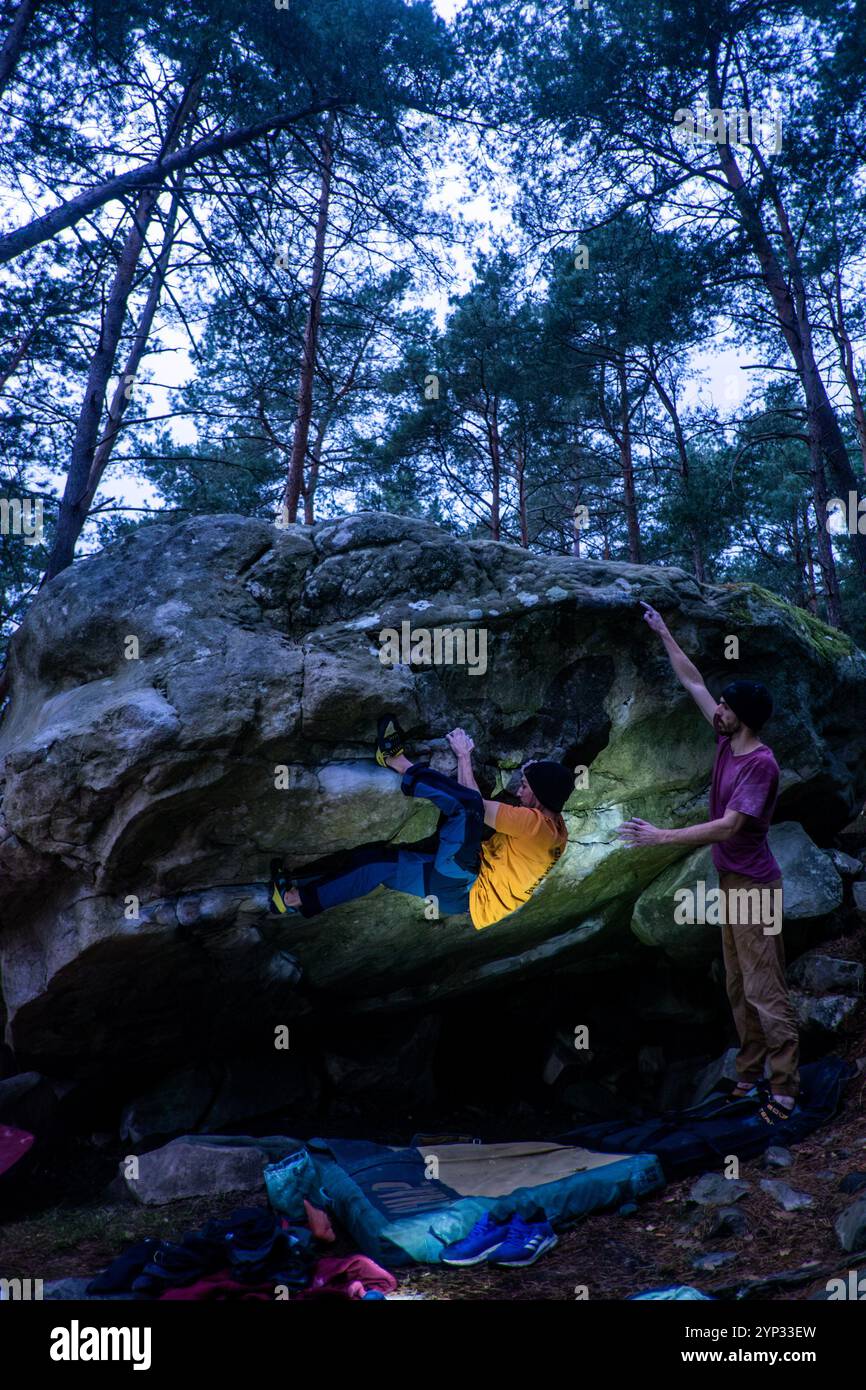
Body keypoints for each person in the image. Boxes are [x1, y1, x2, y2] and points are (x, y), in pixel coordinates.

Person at [617, 602, 800, 1126]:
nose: (714, 708)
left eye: (724, 705)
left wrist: (661, 837)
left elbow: (730, 827)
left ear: (740, 716)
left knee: (765, 987)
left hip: (755, 887)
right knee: (738, 985)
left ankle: (785, 1087)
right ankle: (749, 1074)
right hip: (730, 880)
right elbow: (694, 683)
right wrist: (663, 632)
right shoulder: (727, 739)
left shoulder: (760, 764)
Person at [268, 714, 572, 931]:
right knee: (373, 862)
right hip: (463, 891)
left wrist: (464, 754)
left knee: (466, 809)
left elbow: (473, 806)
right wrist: (464, 758)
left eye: (526, 786)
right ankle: (293, 896)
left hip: (465, 885)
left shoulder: (533, 826)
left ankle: (395, 760)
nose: (519, 789)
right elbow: (476, 808)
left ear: (540, 796)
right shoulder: (556, 828)